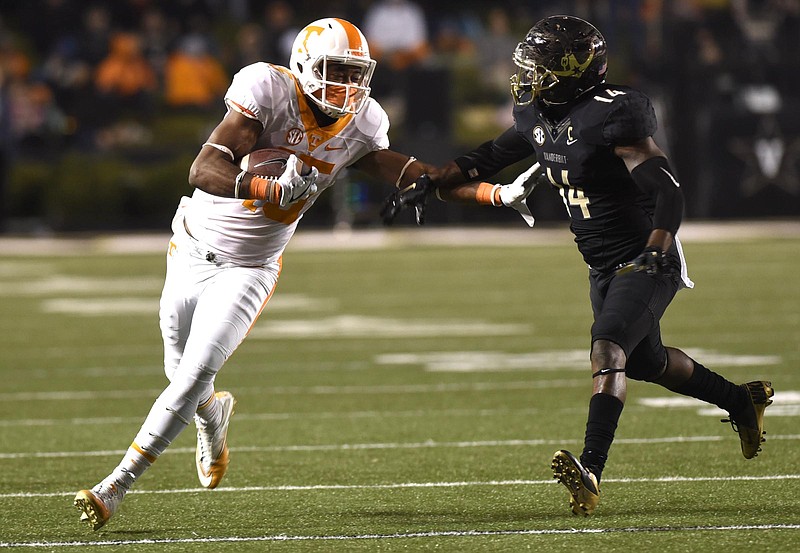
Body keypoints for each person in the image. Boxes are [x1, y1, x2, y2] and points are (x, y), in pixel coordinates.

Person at [72, 15, 531, 531]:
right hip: (191, 246)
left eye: (358, 74)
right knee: (177, 371)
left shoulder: (361, 124)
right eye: (338, 71)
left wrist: (493, 192)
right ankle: (212, 420)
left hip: (251, 266)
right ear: (305, 63)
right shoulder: (267, 90)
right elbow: (202, 169)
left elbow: (413, 175)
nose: (350, 86)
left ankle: (116, 485)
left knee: (194, 372)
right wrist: (265, 188)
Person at [382, 15, 774, 516]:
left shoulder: (612, 114)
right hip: (602, 265)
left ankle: (590, 469)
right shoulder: (538, 114)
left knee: (608, 345)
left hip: (645, 256)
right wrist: (431, 180)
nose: (529, 73)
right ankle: (741, 401)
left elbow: (667, 188)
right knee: (646, 362)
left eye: (542, 65)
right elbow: (487, 156)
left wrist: (659, 244)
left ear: (574, 70)